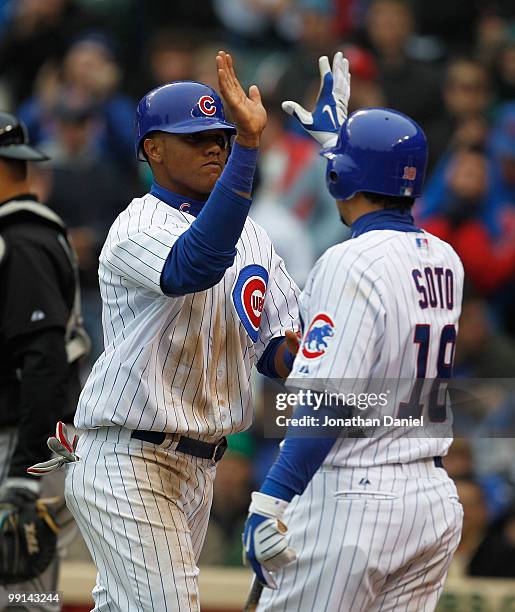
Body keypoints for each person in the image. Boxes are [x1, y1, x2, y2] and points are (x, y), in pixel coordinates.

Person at [57, 51, 300, 611]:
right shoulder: (135, 224)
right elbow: (195, 264)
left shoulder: (256, 237)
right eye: (196, 138)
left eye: (221, 135)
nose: (216, 145)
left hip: (199, 466)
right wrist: (249, 148)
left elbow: (279, 354)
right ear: (153, 149)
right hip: (127, 457)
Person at [243, 56, 465, 611]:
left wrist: (274, 495)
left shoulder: (349, 261)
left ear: (341, 177)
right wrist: (341, 144)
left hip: (355, 496)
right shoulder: (447, 259)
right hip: (431, 500)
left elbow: (329, 399)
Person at [0, 112, 88, 608]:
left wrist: (21, 479)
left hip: (22, 443)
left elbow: (45, 361)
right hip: (25, 439)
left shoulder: (22, 240)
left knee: (21, 598)